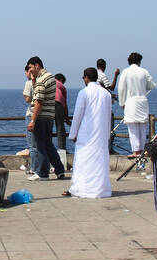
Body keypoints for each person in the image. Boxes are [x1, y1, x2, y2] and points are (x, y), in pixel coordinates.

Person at [66, 68, 113, 198]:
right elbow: (109, 116)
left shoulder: (84, 92)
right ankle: (101, 189)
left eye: (83, 77)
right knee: (99, 161)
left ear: (86, 78)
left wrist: (73, 134)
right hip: (101, 133)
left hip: (86, 133)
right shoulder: (106, 94)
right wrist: (107, 134)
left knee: (83, 161)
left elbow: (78, 114)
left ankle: (82, 189)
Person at [25, 57, 66, 181]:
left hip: (40, 117)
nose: (30, 71)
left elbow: (38, 101)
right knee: (48, 144)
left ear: (37, 65)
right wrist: (33, 81)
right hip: (49, 116)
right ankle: (59, 170)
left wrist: (32, 120)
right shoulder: (50, 77)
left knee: (39, 145)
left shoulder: (42, 79)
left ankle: (42, 173)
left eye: (31, 67)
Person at [116, 52, 157, 157]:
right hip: (142, 101)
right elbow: (151, 86)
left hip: (131, 101)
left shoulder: (126, 72)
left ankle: (136, 151)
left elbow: (121, 88)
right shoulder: (144, 71)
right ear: (139, 61)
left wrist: (122, 102)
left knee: (132, 127)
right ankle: (143, 149)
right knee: (143, 127)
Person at [53, 74, 70, 152]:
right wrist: (67, 119)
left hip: (47, 104)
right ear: (61, 80)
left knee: (47, 128)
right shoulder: (62, 86)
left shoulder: (49, 82)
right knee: (60, 127)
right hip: (57, 104)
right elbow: (65, 105)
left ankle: (46, 149)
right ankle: (62, 149)